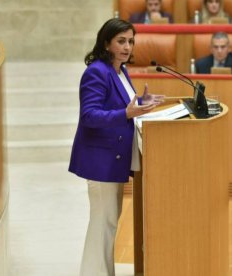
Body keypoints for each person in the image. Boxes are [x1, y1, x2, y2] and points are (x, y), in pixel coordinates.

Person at [68, 18, 164, 276]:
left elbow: (119, 105)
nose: (127, 46)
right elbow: (89, 115)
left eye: (131, 41)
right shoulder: (96, 71)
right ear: (106, 42)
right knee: (102, 225)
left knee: (107, 224)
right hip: (100, 161)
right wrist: (127, 112)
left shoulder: (119, 70)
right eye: (121, 41)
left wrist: (141, 102)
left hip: (113, 160)